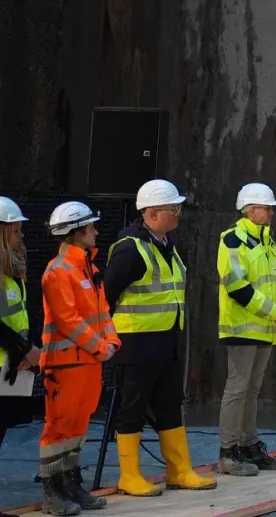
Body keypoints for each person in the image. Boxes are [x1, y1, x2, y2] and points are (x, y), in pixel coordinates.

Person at [105, 179, 215, 494]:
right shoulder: (130, 248)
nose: (178, 214)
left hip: (166, 341)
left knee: (169, 405)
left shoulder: (165, 245)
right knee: (133, 409)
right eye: (172, 209)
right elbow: (106, 295)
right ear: (152, 213)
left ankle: (179, 470)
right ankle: (129, 476)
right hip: (136, 344)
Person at [38, 201, 118, 516]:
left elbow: (102, 312)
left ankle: (70, 485)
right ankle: (52, 492)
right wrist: (101, 346)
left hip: (86, 363)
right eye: (91, 227)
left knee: (78, 426)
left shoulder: (89, 268)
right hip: (66, 365)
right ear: (77, 232)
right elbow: (68, 320)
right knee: (58, 428)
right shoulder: (57, 271)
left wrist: (111, 339)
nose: (95, 231)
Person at [216, 183, 276, 477]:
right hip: (243, 328)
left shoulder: (268, 242)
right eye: (266, 207)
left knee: (252, 390)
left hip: (266, 328)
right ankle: (228, 452)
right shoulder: (233, 240)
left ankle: (248, 446)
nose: (271, 212)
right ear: (250, 210)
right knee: (237, 390)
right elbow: (237, 286)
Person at [0, 198, 40, 494]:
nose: (22, 236)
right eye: (16, 231)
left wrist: (26, 350)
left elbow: (21, 316)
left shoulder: (13, 275)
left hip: (10, 367)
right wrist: (23, 350)